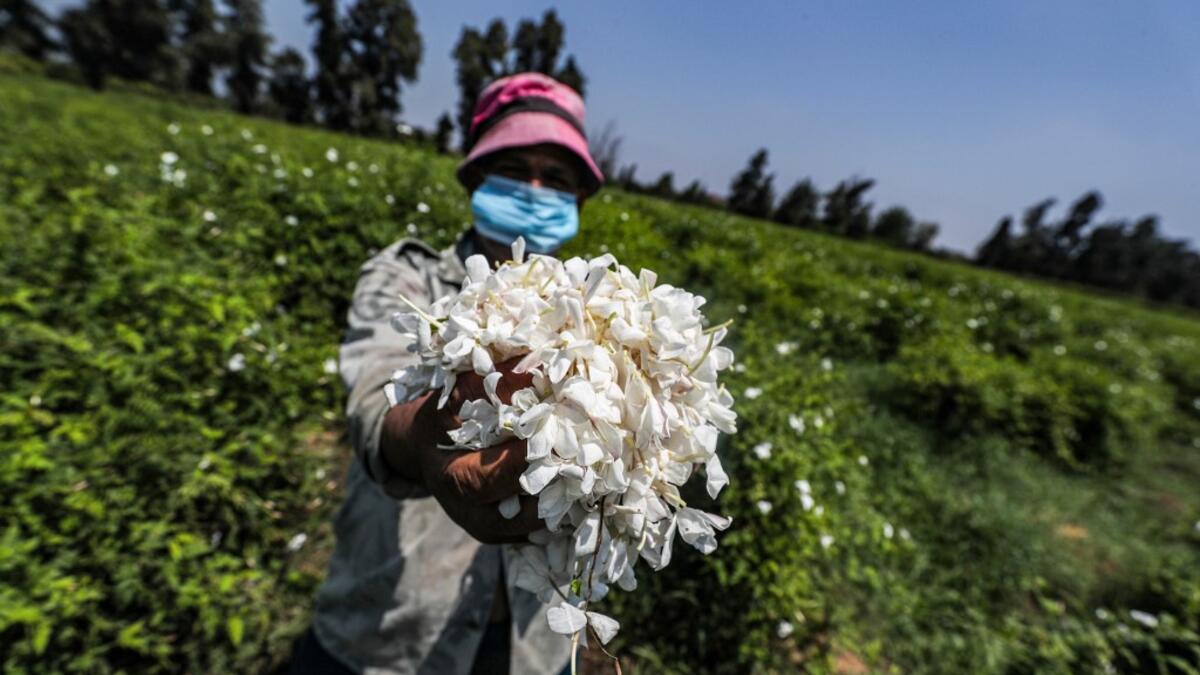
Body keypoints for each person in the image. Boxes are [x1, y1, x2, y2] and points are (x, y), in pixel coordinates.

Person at [289, 72, 605, 675]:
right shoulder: (410, 282)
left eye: (557, 178)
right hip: (385, 640)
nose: (535, 189)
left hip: (530, 651)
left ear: (580, 200)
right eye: (514, 168)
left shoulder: (595, 312)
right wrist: (427, 438)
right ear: (474, 179)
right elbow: (374, 405)